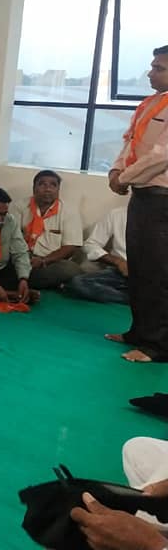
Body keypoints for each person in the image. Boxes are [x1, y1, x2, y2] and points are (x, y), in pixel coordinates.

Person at [106, 44, 168, 362]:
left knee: (158, 273)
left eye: (159, 68)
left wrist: (125, 177)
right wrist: (116, 171)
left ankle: (158, 346)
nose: (151, 72)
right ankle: (139, 333)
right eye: (152, 66)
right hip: (142, 196)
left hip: (162, 200)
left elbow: (161, 156)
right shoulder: (150, 103)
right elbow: (130, 143)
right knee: (140, 269)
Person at [17, 169, 84, 289]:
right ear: (34, 188)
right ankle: (30, 281)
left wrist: (44, 261)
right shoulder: (19, 206)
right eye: (42, 184)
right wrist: (23, 259)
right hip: (22, 257)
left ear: (58, 190)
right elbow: (11, 238)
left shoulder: (69, 211)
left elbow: (71, 247)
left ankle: (22, 281)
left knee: (71, 269)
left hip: (50, 262)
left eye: (53, 185)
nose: (47, 189)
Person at [66, 205, 129, 305]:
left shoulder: (157, 218)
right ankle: (134, 298)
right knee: (78, 283)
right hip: (120, 273)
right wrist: (118, 261)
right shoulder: (117, 214)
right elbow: (90, 244)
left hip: (152, 277)